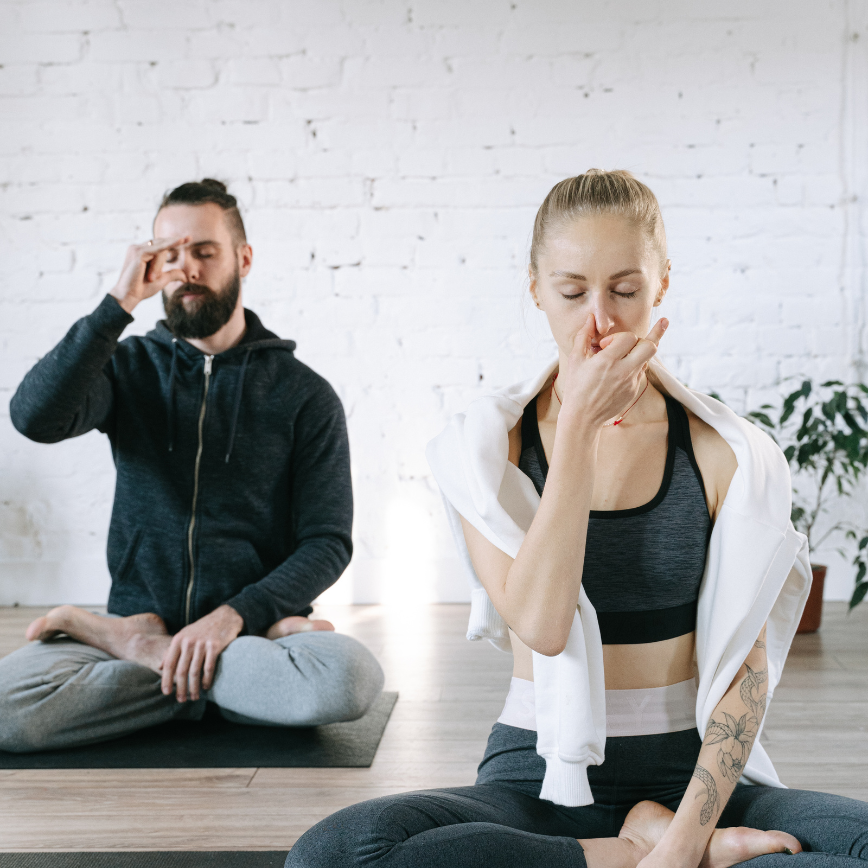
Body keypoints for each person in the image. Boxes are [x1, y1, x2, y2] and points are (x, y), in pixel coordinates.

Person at [287, 171, 868, 867]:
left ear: (662, 284)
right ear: (536, 288)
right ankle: (628, 851)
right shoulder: (486, 447)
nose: (600, 320)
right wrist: (578, 434)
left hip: (696, 783)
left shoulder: (730, 454)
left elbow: (746, 674)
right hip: (539, 780)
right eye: (572, 292)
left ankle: (669, 843)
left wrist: (684, 837)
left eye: (625, 291)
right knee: (338, 852)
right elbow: (540, 623)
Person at [0, 179, 384, 752]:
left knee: (349, 679)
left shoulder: (305, 395)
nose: (186, 269)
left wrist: (237, 617)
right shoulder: (127, 369)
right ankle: (176, 660)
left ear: (242, 259)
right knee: (7, 710)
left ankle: (150, 659)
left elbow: (327, 542)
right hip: (168, 626)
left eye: (204, 252)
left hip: (249, 626)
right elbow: (34, 418)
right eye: (169, 253)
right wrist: (116, 306)